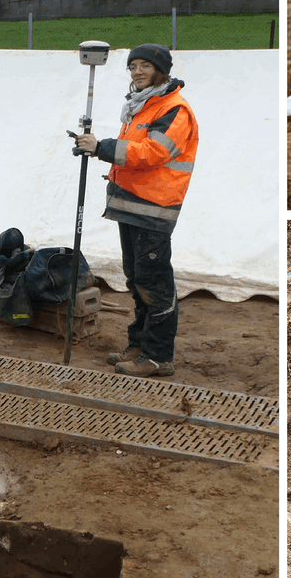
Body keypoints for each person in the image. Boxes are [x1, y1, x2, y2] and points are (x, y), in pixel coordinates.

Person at [74, 44, 199, 378]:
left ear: (161, 70)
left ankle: (158, 356)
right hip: (131, 205)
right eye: (133, 67)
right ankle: (141, 345)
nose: (138, 72)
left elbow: (153, 152)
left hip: (154, 208)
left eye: (145, 66)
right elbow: (136, 153)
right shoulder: (141, 107)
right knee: (136, 279)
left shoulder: (174, 109)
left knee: (154, 283)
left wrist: (101, 147)